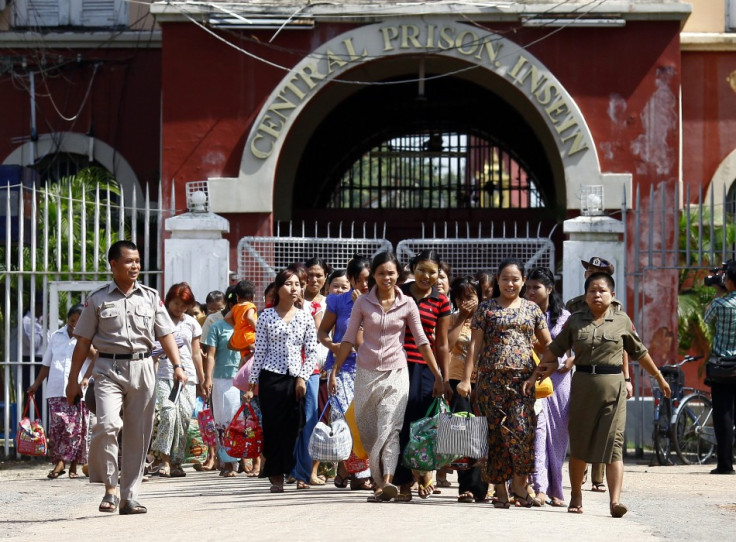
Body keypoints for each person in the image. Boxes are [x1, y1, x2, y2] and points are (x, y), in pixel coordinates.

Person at [530, 272, 672, 517]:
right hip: (583, 386)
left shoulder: (622, 320)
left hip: (613, 388)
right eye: (592, 291)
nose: (597, 295)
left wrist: (658, 377)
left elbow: (640, 352)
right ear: (585, 295)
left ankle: (615, 501)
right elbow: (554, 349)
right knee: (581, 444)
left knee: (614, 445)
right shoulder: (575, 321)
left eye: (602, 290)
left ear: (612, 295)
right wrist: (539, 372)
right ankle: (575, 494)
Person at [66, 240, 186, 515]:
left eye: (138, 261)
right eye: (129, 261)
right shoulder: (97, 299)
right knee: (107, 425)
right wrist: (73, 381)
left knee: (138, 434)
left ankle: (129, 496)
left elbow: (165, 334)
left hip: (144, 368)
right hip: (108, 368)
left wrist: (178, 366)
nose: (135, 266)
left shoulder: (150, 296)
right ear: (114, 264)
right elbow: (83, 343)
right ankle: (110, 487)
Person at [328, 251, 445, 503]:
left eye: (391, 273)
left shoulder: (407, 303)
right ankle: (379, 480)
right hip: (366, 372)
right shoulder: (362, 303)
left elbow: (423, 341)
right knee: (369, 431)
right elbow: (348, 338)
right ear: (374, 277)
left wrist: (438, 375)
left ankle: (388, 482)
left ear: (398, 275)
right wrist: (335, 370)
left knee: (390, 428)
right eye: (381, 273)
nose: (386, 278)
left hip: (397, 371)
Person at [468, 258, 551, 509]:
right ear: (498, 281)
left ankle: (518, 483)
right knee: (495, 436)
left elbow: (548, 346)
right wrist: (465, 379)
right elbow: (475, 346)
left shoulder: (532, 310)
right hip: (490, 381)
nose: (510, 283)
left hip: (522, 383)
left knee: (522, 432)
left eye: (515, 279)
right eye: (505, 279)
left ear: (523, 281)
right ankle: (501, 489)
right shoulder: (486, 308)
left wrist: (541, 372)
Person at [244, 268, 320, 493]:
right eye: (289, 284)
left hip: (296, 378)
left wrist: (302, 377)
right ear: (278, 289)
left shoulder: (305, 316)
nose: (294, 288)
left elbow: (312, 351)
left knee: (294, 426)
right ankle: (276, 474)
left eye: (297, 284)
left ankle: (290, 468)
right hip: (271, 377)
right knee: (272, 427)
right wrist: (252, 383)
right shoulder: (266, 315)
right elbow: (260, 352)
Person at [566, 256, 633, 490]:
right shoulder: (574, 305)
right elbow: (568, 339)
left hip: (609, 374)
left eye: (596, 271)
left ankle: (598, 478)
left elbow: (623, 346)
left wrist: (626, 377)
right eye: (588, 271)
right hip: (583, 372)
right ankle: (580, 473)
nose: (590, 273)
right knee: (583, 427)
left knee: (606, 430)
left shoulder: (616, 309)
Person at [392, 249, 452, 501]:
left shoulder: (442, 301)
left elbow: (442, 344)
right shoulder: (399, 293)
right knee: (399, 424)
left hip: (427, 371)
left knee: (423, 424)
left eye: (432, 272)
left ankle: (425, 470)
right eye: (422, 270)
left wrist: (444, 378)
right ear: (412, 269)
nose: (426, 276)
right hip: (396, 366)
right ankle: (403, 481)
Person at [318, 254, 372, 490]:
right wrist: (333, 346)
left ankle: (359, 474)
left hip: (369, 368)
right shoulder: (337, 302)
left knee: (363, 421)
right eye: (359, 280)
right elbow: (322, 333)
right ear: (350, 279)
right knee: (342, 420)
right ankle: (345, 468)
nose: (365, 285)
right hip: (341, 368)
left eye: (368, 280)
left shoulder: (380, 303)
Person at [28, 304, 95, 479]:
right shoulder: (56, 336)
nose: (75, 324)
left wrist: (86, 378)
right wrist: (36, 384)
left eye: (79, 322)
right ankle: (62, 461)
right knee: (58, 428)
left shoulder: (88, 338)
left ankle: (67, 464)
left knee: (75, 429)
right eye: (72, 321)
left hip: (78, 390)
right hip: (56, 389)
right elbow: (47, 364)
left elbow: (96, 358)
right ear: (68, 320)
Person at [524, 267, 572, 507]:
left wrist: (570, 361)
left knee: (559, 437)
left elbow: (578, 348)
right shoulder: (522, 312)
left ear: (549, 289)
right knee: (537, 434)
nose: (531, 291)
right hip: (533, 379)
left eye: (537, 287)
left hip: (560, 381)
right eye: (529, 287)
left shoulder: (564, 317)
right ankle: (538, 487)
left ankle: (556, 489)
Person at [151, 282, 204, 478]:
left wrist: (203, 378)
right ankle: (163, 459)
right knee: (168, 414)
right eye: (176, 304)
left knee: (183, 418)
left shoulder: (191, 323)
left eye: (184, 305)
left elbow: (196, 353)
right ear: (167, 301)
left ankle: (176, 462)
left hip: (188, 378)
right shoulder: (158, 321)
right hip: (164, 375)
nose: (179, 309)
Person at [291, 258, 331, 488]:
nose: (314, 280)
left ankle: (303, 473)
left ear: (326, 277)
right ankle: (290, 467)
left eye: (319, 275)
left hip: (316, 367)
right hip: (288, 367)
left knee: (310, 419)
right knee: (291, 419)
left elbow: (327, 335)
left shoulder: (328, 304)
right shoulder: (290, 300)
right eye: (310, 275)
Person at [448, 276, 489, 503]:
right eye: (461, 298)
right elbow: (447, 344)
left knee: (481, 432)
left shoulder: (487, 318)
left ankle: (482, 486)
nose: (467, 302)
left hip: (482, 382)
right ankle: (465, 486)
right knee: (462, 434)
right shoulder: (453, 318)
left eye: (471, 297)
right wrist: (462, 317)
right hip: (457, 381)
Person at [202, 290, 242, 477]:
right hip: (221, 379)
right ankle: (227, 462)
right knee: (223, 420)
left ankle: (244, 459)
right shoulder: (217, 327)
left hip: (244, 379)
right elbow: (210, 355)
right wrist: (207, 378)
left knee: (242, 420)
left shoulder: (250, 326)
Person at [703, 260, 736, 475]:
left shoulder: (720, 304)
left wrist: (718, 291)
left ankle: (725, 463)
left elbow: (706, 319)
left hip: (723, 367)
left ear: (729, 281)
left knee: (723, 414)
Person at [223, 280, 258, 359]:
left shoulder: (236, 307)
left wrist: (237, 325)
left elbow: (227, 317)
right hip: (248, 336)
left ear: (237, 296)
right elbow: (249, 317)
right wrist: (258, 328)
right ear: (253, 296)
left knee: (246, 355)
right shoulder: (250, 305)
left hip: (237, 338)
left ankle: (246, 357)